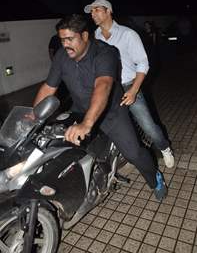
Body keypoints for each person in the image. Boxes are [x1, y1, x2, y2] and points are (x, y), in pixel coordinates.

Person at [33, 14, 167, 201]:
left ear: (85, 36)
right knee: (55, 146)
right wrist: (34, 116)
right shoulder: (62, 57)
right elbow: (49, 87)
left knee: (133, 152)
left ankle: (155, 178)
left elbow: (103, 86)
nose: (65, 44)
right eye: (62, 39)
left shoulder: (105, 53)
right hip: (79, 110)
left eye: (70, 39)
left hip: (111, 113)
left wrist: (87, 123)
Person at [84, 0, 174, 168]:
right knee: (112, 127)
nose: (93, 14)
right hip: (109, 89)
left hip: (128, 86)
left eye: (97, 10)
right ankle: (127, 154)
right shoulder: (94, 37)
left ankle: (165, 147)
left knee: (148, 126)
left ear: (109, 11)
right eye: (91, 11)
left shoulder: (128, 34)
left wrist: (133, 90)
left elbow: (142, 63)